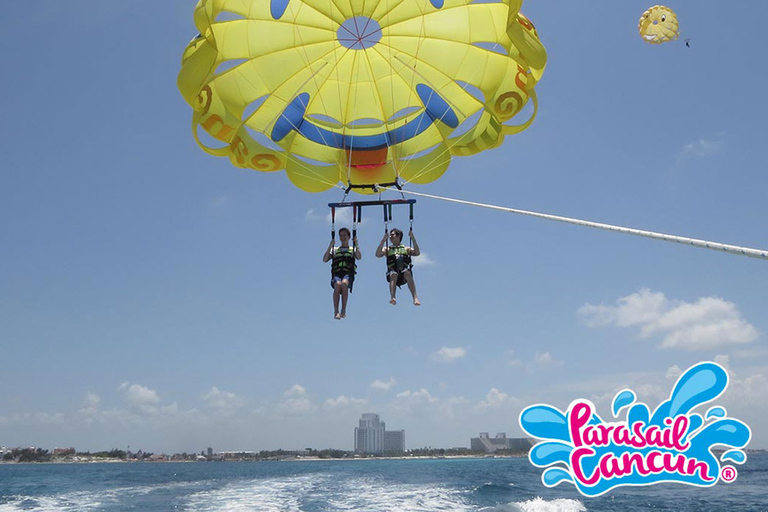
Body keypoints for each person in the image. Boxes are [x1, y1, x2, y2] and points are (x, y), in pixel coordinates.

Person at [375, 228, 421, 306]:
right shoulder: (388, 249)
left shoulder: (406, 248)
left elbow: (417, 253)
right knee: (393, 274)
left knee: (407, 273)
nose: (390, 237)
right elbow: (378, 254)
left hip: (403, 274)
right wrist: (383, 240)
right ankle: (393, 297)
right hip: (393, 273)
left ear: (398, 236)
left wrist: (413, 238)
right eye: (390, 235)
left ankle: (415, 298)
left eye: (392, 235)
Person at [323, 227, 361, 319]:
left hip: (348, 274)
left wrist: (356, 243)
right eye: (340, 235)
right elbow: (325, 259)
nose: (342, 237)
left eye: (344, 235)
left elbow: (359, 257)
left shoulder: (352, 249)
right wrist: (330, 245)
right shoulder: (335, 249)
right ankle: (336, 311)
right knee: (338, 284)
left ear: (349, 237)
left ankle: (343, 310)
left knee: (344, 284)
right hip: (337, 274)